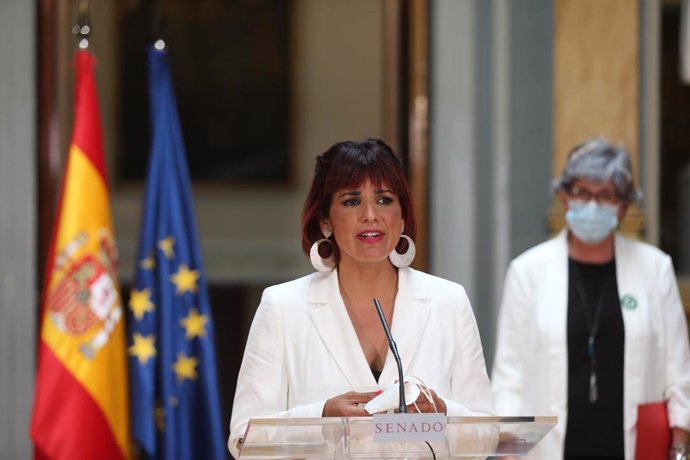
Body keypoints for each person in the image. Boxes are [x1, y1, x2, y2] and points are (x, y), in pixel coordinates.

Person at [228, 138, 493, 458]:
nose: (371, 215)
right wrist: (321, 416)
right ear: (324, 219)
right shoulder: (283, 306)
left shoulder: (448, 301)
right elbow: (244, 438)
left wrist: (441, 412)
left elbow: (486, 436)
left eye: (384, 199)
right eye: (352, 201)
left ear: (403, 216)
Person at [491, 138, 690, 460]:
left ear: (624, 206)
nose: (592, 205)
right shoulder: (528, 271)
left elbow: (678, 371)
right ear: (563, 197)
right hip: (551, 450)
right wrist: (507, 452)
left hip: (632, 447)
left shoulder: (656, 269)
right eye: (581, 192)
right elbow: (509, 376)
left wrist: (680, 448)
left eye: (606, 195)